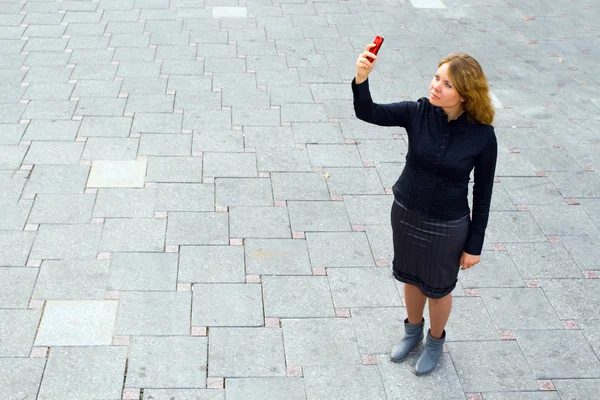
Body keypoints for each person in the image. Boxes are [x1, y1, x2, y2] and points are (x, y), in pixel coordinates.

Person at [352, 44, 497, 375]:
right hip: (406, 213)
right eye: (436, 77)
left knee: (439, 287)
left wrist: (474, 244)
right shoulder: (417, 112)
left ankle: (434, 341)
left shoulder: (483, 137)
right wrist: (361, 79)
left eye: (447, 84)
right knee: (411, 277)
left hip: (448, 226)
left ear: (464, 94)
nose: (435, 86)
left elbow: (484, 193)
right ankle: (412, 332)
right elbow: (368, 112)